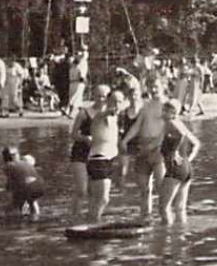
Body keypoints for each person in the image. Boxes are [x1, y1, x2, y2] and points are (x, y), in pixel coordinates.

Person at [121, 80, 169, 218]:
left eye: (156, 86)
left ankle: (164, 216)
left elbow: (168, 128)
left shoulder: (167, 105)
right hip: (142, 148)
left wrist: (155, 145)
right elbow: (137, 126)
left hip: (159, 149)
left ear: (163, 86)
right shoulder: (145, 106)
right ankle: (145, 217)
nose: (153, 89)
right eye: (151, 87)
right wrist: (125, 140)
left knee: (161, 187)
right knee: (144, 189)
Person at [157, 99, 201, 224]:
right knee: (180, 209)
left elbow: (181, 134)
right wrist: (189, 159)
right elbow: (196, 143)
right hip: (186, 168)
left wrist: (174, 150)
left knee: (163, 208)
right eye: (163, 109)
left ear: (173, 112)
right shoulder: (180, 123)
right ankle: (180, 236)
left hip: (174, 168)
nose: (163, 113)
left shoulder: (171, 123)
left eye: (166, 110)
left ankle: (166, 239)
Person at [85, 88, 123, 221]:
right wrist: (109, 110)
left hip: (109, 159)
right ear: (108, 101)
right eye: (113, 101)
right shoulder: (101, 115)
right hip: (98, 159)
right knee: (103, 199)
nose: (116, 105)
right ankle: (92, 224)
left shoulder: (116, 117)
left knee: (95, 199)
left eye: (119, 102)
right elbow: (100, 116)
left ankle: (91, 221)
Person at [1, 146, 45, 219]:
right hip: (39, 185)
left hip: (25, 187)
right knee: (32, 200)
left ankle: (10, 218)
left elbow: (12, 181)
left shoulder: (7, 166)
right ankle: (36, 216)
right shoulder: (26, 162)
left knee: (16, 201)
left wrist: (8, 189)